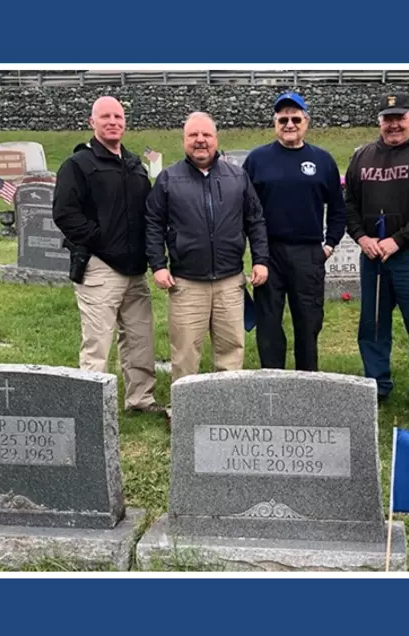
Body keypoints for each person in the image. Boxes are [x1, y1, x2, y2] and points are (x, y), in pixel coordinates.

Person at [52, 96, 166, 417]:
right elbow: (64, 213)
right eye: (105, 116)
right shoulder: (78, 165)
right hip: (100, 267)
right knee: (97, 344)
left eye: (118, 116)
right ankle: (91, 408)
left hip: (135, 269)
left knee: (140, 339)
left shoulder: (134, 165)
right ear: (92, 122)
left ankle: (140, 400)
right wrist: (100, 240)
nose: (113, 121)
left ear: (124, 122)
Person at [343, 92, 409, 421]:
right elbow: (348, 204)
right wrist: (361, 237)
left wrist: (398, 240)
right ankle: (377, 384)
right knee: (373, 325)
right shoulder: (363, 156)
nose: (393, 124)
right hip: (373, 257)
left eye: (400, 117)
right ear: (379, 122)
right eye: (387, 119)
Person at [145, 112, 270, 389]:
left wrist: (261, 260)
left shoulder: (237, 176)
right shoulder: (168, 179)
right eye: (193, 135)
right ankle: (184, 413)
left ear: (216, 139)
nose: (200, 140)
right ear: (184, 140)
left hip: (229, 282)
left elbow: (255, 220)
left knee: (231, 352)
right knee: (186, 354)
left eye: (206, 135)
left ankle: (227, 409)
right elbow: (153, 224)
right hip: (187, 283)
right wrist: (158, 265)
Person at [242, 91, 346, 371]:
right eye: (283, 119)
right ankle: (273, 381)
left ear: (306, 122)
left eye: (295, 118)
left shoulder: (322, 161)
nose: (289, 124)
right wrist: (253, 252)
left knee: (308, 322)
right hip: (268, 254)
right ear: (275, 123)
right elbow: (244, 209)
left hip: (309, 253)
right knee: (269, 323)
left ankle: (307, 382)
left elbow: (338, 209)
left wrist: (330, 244)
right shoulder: (257, 160)